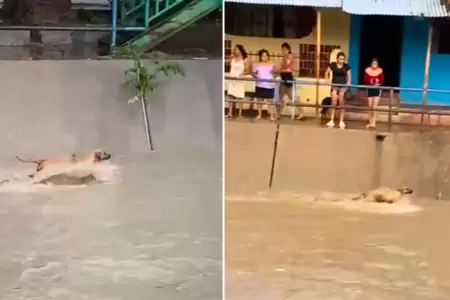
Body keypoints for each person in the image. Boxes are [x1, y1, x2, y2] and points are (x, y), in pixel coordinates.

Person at [325, 52, 351, 129]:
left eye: (343, 59)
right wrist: (327, 80)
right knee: (334, 101)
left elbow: (349, 76)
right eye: (340, 59)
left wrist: (348, 83)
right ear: (337, 59)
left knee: (341, 100)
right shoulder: (333, 64)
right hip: (335, 85)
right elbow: (327, 72)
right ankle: (331, 120)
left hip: (343, 85)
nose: (342, 60)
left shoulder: (347, 66)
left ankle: (341, 121)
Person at [277, 42, 302, 119]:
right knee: (280, 97)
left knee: (292, 97)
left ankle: (302, 112)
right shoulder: (284, 58)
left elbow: (291, 70)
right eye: (282, 50)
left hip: (289, 79)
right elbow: (281, 68)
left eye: (285, 50)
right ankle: (278, 113)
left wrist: (282, 70)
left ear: (288, 50)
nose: (283, 51)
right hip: (283, 78)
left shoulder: (291, 58)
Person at [226, 44, 249, 118]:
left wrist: (242, 74)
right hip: (232, 78)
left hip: (239, 80)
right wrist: (230, 57)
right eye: (235, 49)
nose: (235, 51)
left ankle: (240, 113)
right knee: (230, 96)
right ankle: (230, 112)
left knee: (240, 97)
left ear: (240, 50)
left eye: (237, 49)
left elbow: (247, 70)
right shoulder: (232, 58)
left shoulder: (244, 59)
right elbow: (228, 64)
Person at [252, 49, 276, 120]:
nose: (265, 57)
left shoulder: (272, 64)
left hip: (269, 85)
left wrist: (274, 76)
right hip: (260, 85)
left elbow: (276, 73)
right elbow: (254, 73)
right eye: (263, 55)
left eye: (266, 55)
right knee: (259, 101)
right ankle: (259, 114)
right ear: (260, 57)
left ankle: (271, 115)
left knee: (270, 101)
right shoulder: (257, 65)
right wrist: (255, 76)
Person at [364, 58, 384, 129]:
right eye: (373, 63)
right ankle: (370, 122)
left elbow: (382, 80)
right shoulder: (367, 70)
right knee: (370, 106)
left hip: (377, 89)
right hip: (369, 89)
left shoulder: (380, 70)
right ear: (371, 64)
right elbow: (365, 80)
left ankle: (374, 123)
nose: (374, 65)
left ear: (377, 65)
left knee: (374, 107)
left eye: (376, 64)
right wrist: (372, 81)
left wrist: (377, 82)